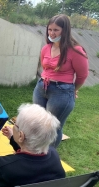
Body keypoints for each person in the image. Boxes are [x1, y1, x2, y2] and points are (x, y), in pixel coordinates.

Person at [33, 14, 89, 147]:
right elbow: (44, 68)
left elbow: (82, 75)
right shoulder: (46, 48)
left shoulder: (76, 50)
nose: (52, 33)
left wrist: (72, 90)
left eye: (56, 30)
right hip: (41, 88)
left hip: (61, 92)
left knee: (53, 127)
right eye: (49, 29)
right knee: (38, 123)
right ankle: (35, 153)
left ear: (65, 30)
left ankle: (48, 157)